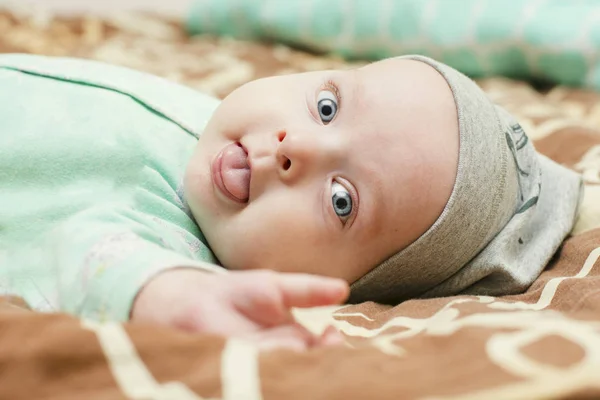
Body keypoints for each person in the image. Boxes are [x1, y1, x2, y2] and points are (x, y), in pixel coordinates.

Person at [0, 53, 582, 350]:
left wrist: (169, 291)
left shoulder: (173, 241)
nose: (294, 148)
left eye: (341, 201)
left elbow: (95, 254)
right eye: (327, 107)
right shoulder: (216, 126)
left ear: (348, 286)